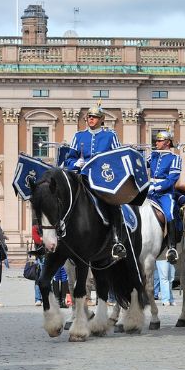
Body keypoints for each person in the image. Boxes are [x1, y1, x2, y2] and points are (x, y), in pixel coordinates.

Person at [64, 102, 126, 258]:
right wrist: (75, 163)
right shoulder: (78, 136)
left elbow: (117, 158)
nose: (91, 119)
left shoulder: (110, 136)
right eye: (89, 117)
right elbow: (69, 160)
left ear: (101, 119)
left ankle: (117, 240)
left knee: (113, 203)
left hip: (102, 178)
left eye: (95, 117)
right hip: (81, 177)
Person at [147, 128, 182, 262]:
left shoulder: (175, 158)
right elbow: (142, 164)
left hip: (164, 193)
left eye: (159, 141)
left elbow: (172, 179)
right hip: (149, 191)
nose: (156, 143)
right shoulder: (154, 155)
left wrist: (156, 187)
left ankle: (172, 247)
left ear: (167, 143)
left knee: (169, 214)